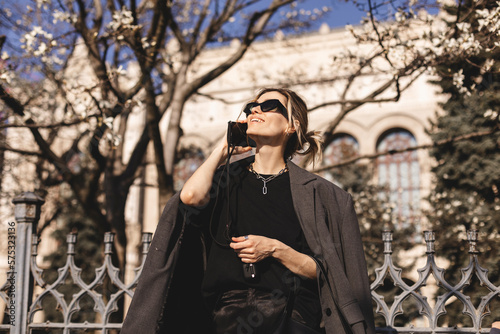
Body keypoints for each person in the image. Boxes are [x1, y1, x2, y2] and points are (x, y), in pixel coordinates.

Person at [121, 88, 376, 334]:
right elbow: (189, 197)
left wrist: (276, 249)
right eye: (251, 106)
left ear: (292, 126)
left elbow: (328, 273)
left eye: (269, 106)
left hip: (292, 317)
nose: (255, 110)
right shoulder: (223, 180)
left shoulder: (322, 195)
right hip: (225, 319)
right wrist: (223, 149)